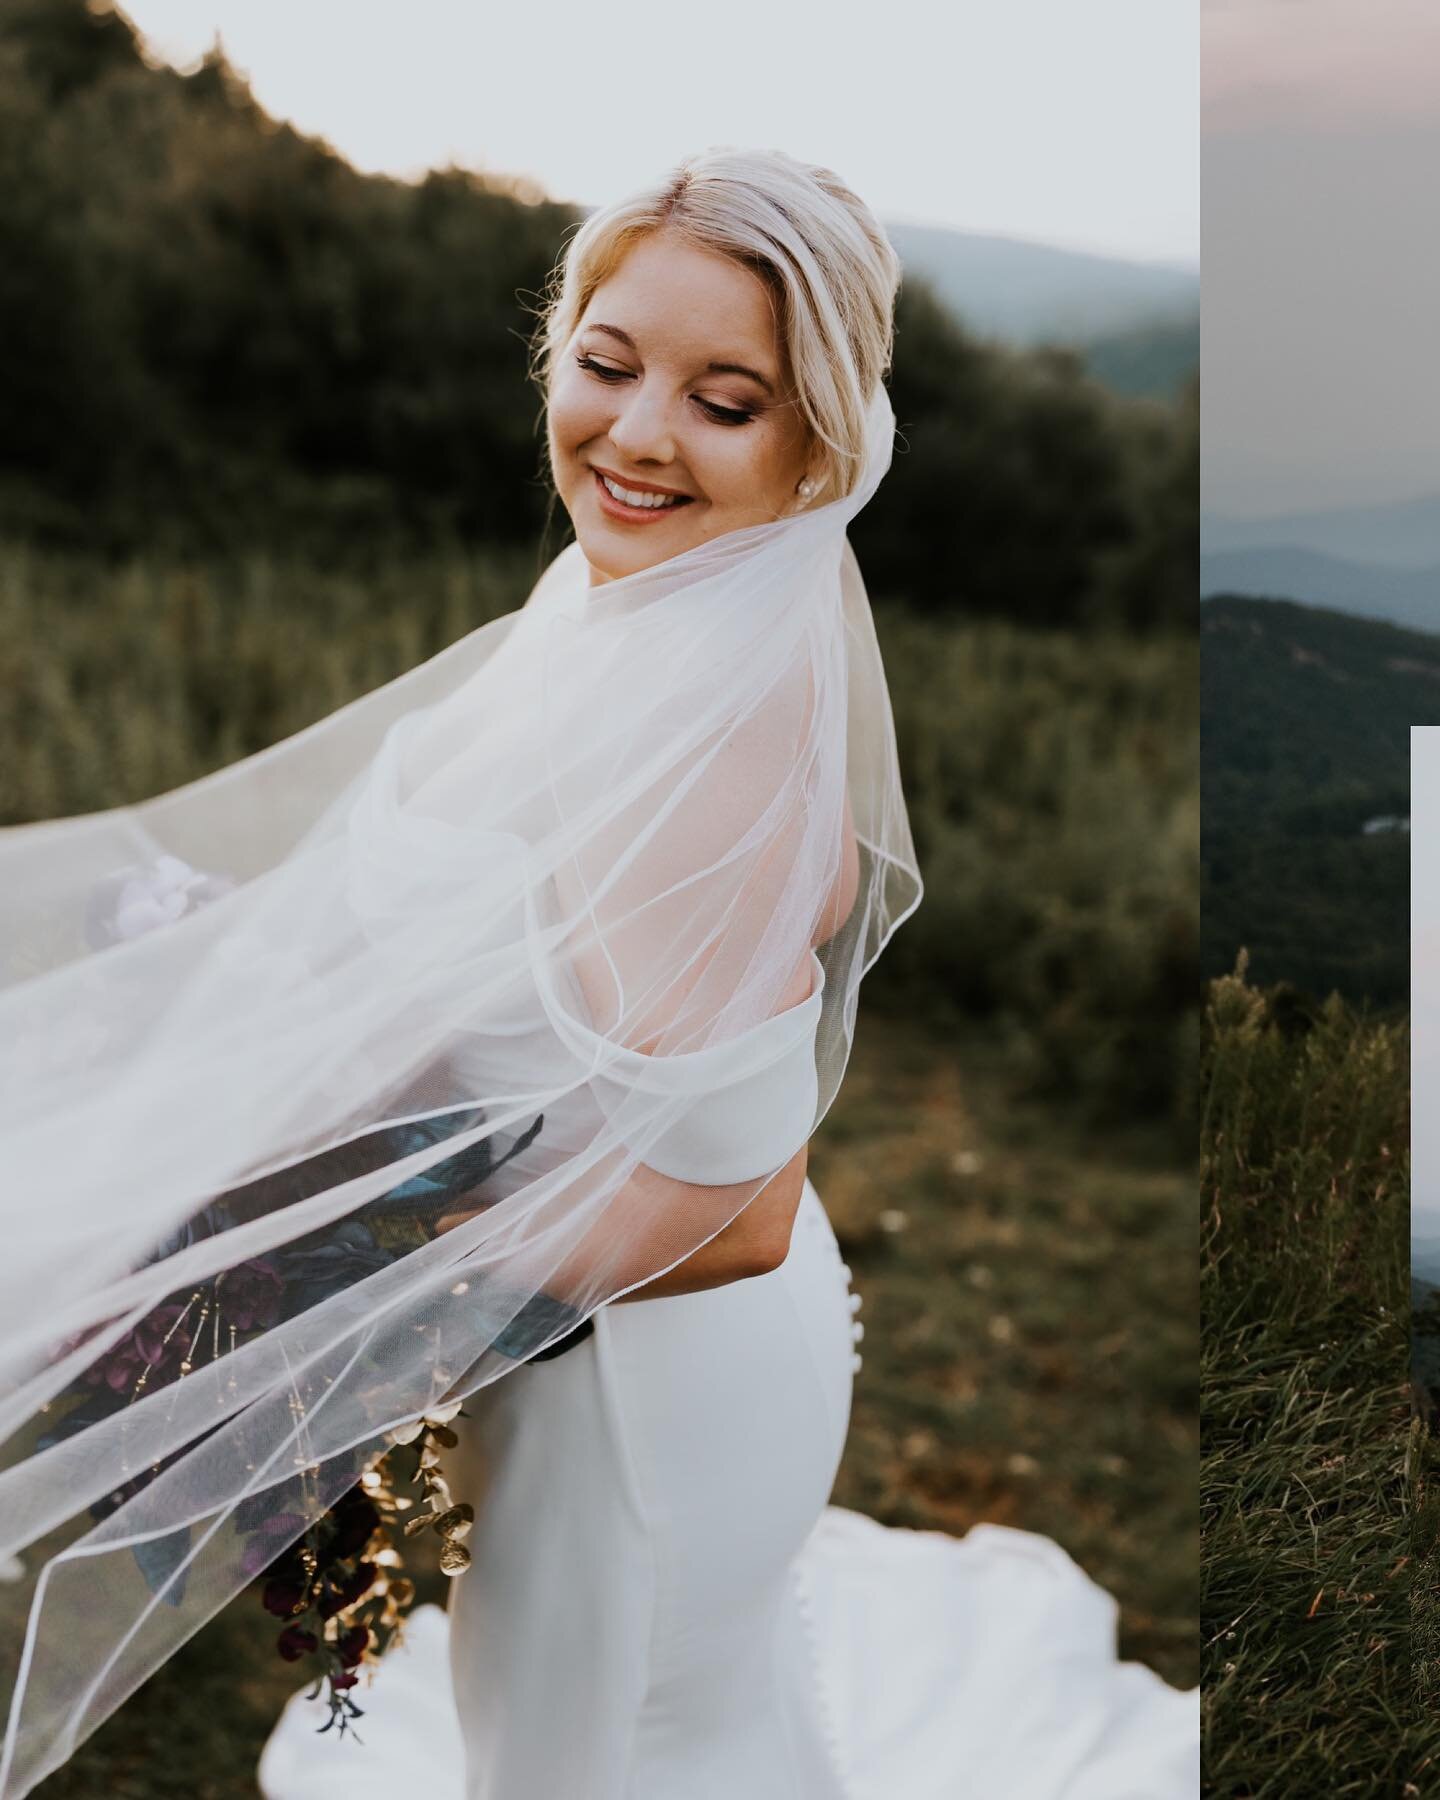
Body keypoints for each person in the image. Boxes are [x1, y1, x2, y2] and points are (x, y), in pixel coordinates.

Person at [249, 149, 1199, 1799]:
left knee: (599, 1754)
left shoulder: (723, 725)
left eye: (724, 399)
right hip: (600, 1336)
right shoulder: (660, 604)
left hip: (636, 1386)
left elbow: (735, 1209)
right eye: (607, 364)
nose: (635, 433)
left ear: (815, 439)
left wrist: (353, 1258)